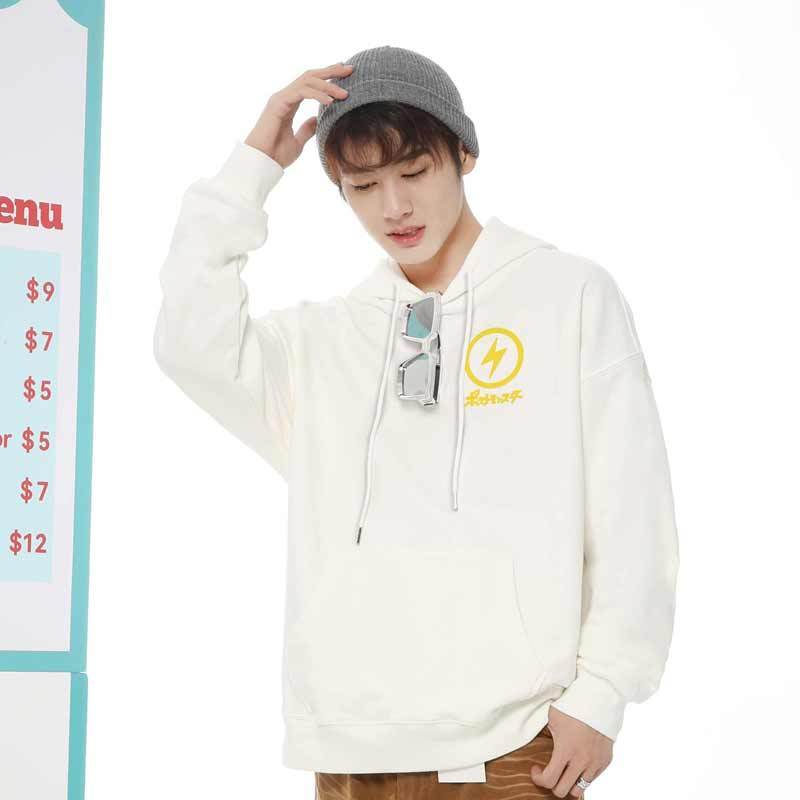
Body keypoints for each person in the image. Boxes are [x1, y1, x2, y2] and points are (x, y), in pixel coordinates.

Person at [153, 45, 680, 799]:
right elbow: (188, 342)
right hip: (349, 752)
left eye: (414, 171)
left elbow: (632, 508)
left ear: (463, 154)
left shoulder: (567, 296)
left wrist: (602, 694)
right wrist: (251, 170)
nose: (393, 207)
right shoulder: (323, 343)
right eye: (364, 185)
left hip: (513, 745)